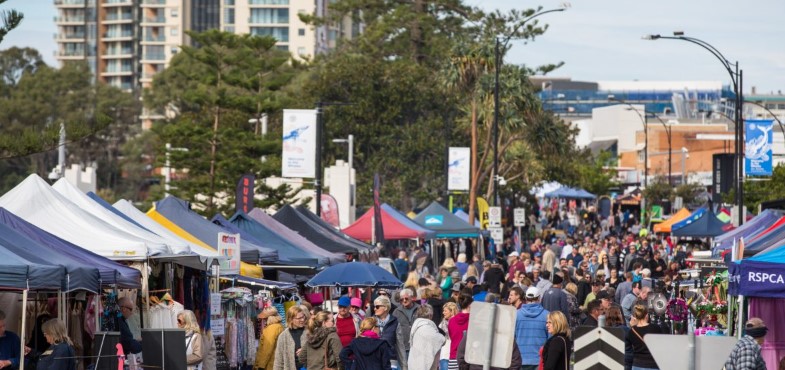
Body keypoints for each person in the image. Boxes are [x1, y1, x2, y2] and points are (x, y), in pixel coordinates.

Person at [515, 287, 549, 370]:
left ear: (526, 298)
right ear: (539, 298)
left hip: (520, 358)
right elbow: (550, 339)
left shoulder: (516, 314)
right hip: (539, 360)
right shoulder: (547, 315)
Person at [408, 305, 444, 370]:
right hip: (422, 364)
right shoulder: (426, 327)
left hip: (415, 362)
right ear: (430, 315)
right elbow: (441, 340)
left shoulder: (417, 325)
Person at [626, 304, 661, 370]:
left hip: (637, 364)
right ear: (646, 315)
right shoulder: (655, 328)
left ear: (635, 317)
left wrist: (632, 326)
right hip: (652, 364)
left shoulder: (631, 331)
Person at [273, 305, 309, 370]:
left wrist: (307, 351)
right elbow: (279, 360)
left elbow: (320, 351)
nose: (302, 320)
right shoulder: (283, 336)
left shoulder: (310, 332)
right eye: (299, 318)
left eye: (303, 317)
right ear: (291, 319)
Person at [393, 289, 420, 370]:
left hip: (417, 346)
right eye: (402, 299)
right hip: (403, 347)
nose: (404, 301)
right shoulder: (396, 311)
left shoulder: (420, 309)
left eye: (406, 298)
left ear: (412, 298)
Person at [373, 295, 400, 368]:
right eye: (374, 306)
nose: (375, 309)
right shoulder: (371, 321)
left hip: (390, 360)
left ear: (385, 307)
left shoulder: (395, 322)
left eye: (377, 306)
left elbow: (400, 346)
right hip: (374, 361)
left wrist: (404, 366)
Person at [447, 294, 472, 369]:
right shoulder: (473, 321)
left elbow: (452, 337)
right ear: (470, 305)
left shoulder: (451, 321)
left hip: (453, 358)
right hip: (466, 360)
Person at [438, 303, 458, 370]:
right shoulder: (442, 324)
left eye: (445, 311)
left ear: (452, 311)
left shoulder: (457, 323)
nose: (443, 313)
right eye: (443, 311)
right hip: (444, 354)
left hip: (453, 355)